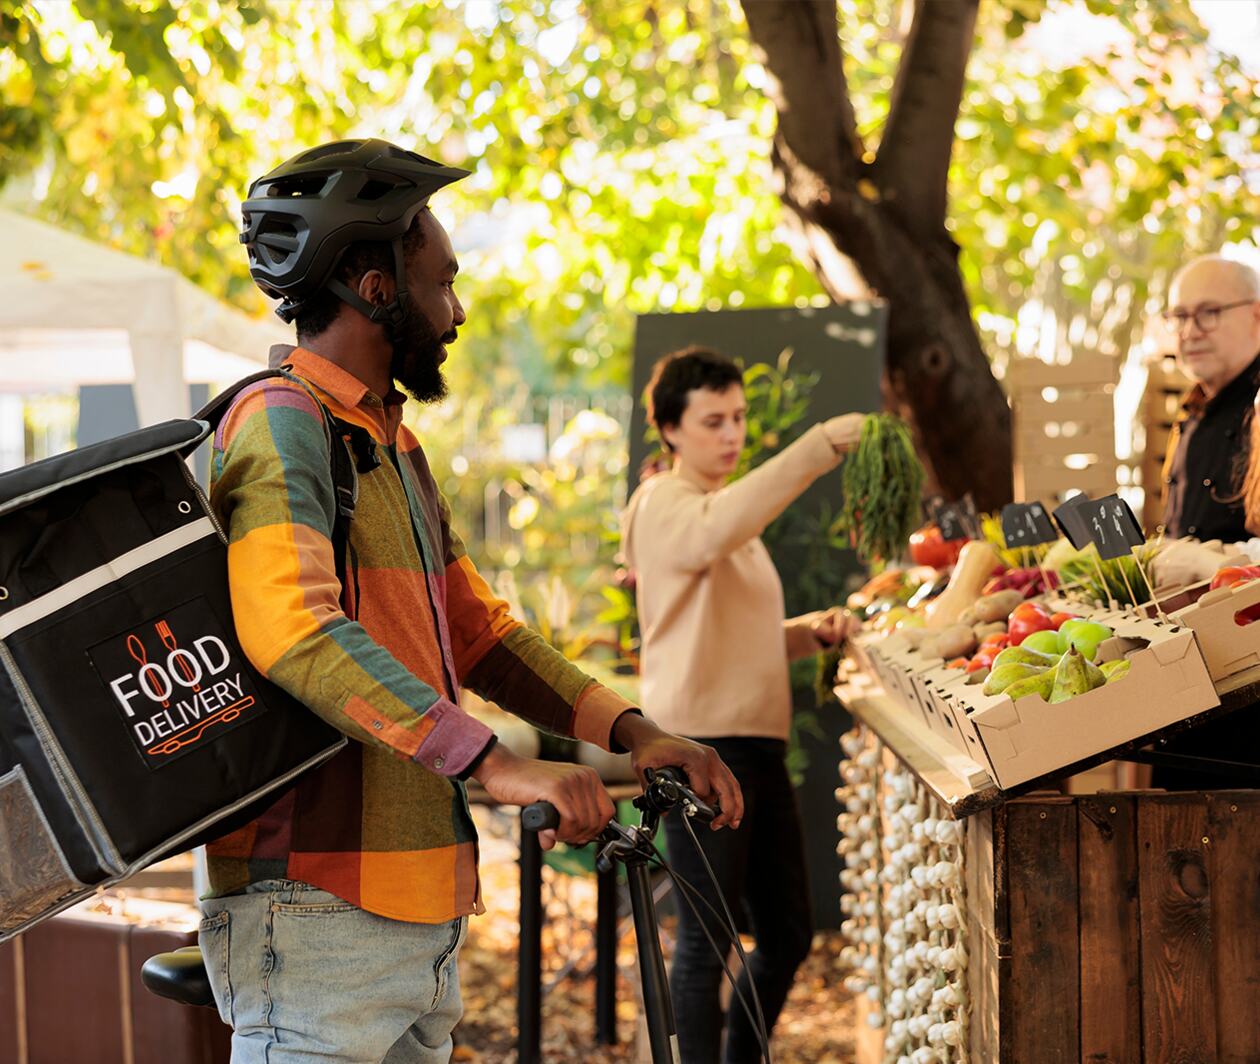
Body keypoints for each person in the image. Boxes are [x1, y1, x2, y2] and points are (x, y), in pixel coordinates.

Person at [200, 140, 743, 1064]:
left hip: (421, 913)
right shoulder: (281, 420)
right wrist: (493, 764)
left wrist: (635, 732)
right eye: (441, 282)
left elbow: (480, 635)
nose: (456, 310)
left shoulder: (389, 447)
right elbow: (292, 627)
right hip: (318, 905)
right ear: (374, 287)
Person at [620, 346, 864, 1064]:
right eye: (713, 420)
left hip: (754, 748)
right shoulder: (665, 503)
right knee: (706, 942)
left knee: (787, 935)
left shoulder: (720, 516)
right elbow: (712, 532)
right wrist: (818, 448)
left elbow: (734, 631)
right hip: (698, 748)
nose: (731, 434)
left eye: (739, 419)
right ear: (669, 429)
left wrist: (807, 634)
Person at [1160, 254, 1260, 542]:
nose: (1190, 332)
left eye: (1209, 313)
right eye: (1179, 317)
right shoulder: (1193, 407)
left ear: (1256, 315)